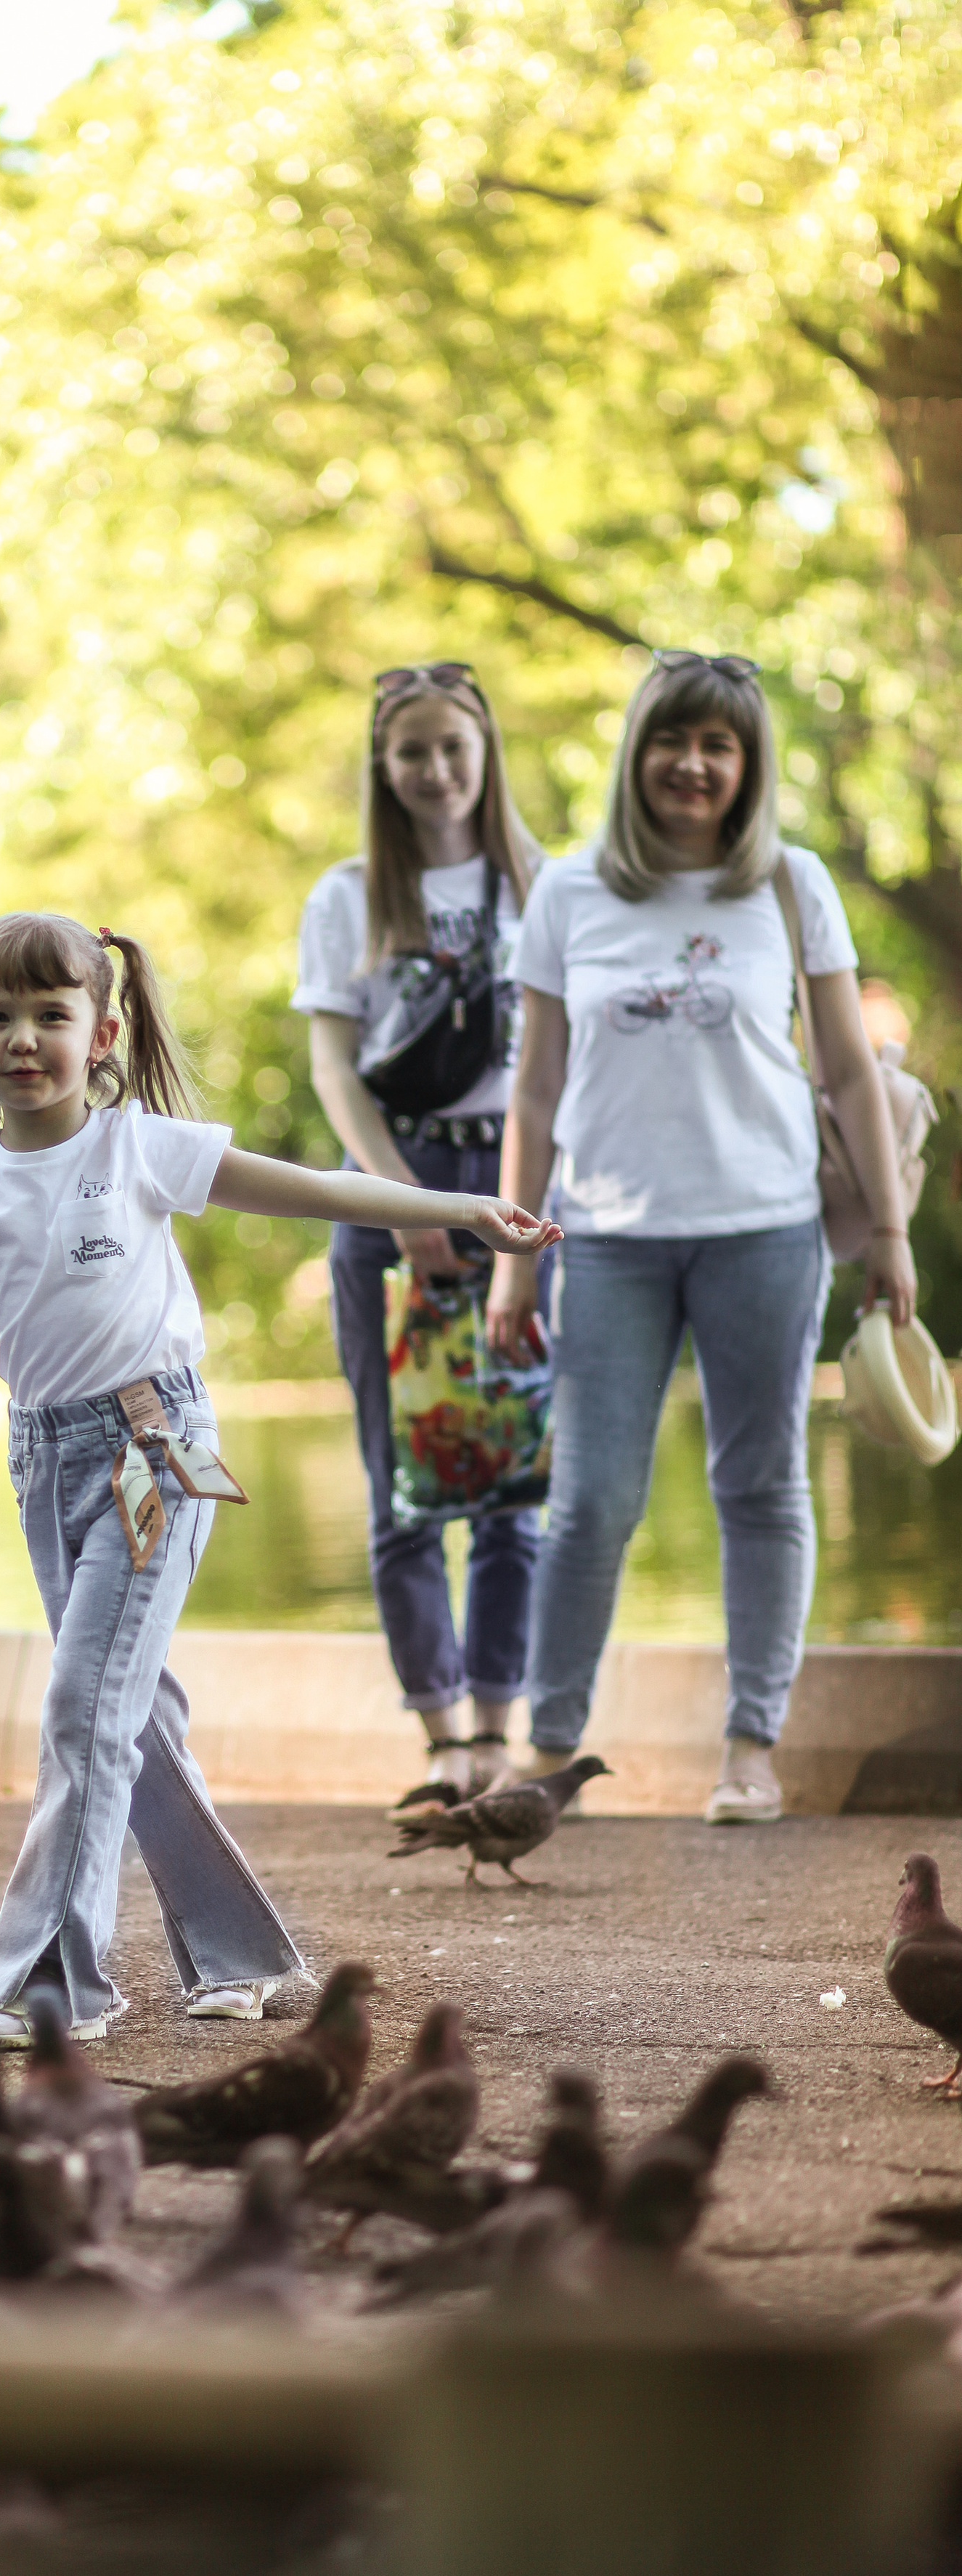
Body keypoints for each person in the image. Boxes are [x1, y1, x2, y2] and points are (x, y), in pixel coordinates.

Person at [0, 912, 558, 2041]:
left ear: (103, 1029)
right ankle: (235, 1957)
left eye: (50, 1015)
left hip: (154, 1450)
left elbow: (315, 1188)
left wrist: (461, 1208)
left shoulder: (139, 1148)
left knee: (85, 1710)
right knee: (133, 1720)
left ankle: (49, 1987)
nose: (22, 1039)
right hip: (42, 1463)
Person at [486, 651, 916, 1825]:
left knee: (763, 1488)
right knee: (590, 1504)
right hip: (611, 1238)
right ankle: (551, 1748)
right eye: (674, 740)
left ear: (747, 764)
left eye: (719, 745)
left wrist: (889, 1228)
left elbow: (846, 1070)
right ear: (639, 752)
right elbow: (534, 1090)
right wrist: (516, 1256)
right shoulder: (570, 891)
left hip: (766, 1232)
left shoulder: (790, 884)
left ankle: (750, 1749)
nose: (693, 763)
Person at [295, 663, 545, 1800]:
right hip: (387, 1179)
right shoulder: (348, 895)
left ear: (485, 751)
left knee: (513, 1465)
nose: (435, 771)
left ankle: (500, 1724)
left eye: (454, 747)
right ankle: (440, 1736)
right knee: (399, 1470)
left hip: (517, 1173)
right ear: (382, 768)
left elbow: (565, 1063)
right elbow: (334, 1074)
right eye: (412, 753)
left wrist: (507, 1206)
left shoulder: (543, 884)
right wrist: (401, 1206)